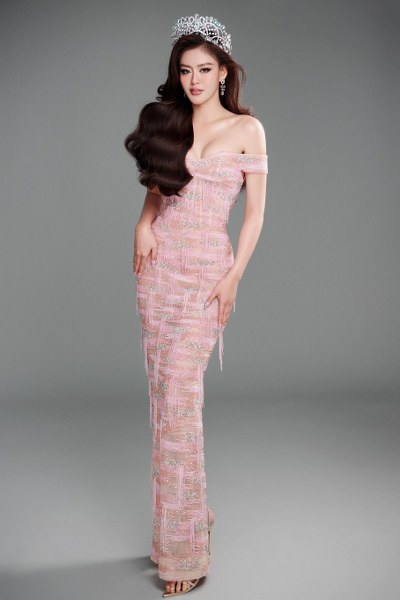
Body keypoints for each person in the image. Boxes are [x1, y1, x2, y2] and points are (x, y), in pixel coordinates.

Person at [124, 13, 268, 597]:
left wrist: (233, 279)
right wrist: (142, 224)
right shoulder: (170, 121)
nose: (194, 80)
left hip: (207, 276)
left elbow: (254, 216)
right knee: (166, 405)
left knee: (182, 405)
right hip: (158, 274)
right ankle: (181, 528)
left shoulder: (247, 129)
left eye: (205, 70)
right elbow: (159, 191)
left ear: (224, 71)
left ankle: (185, 552)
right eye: (185, 71)